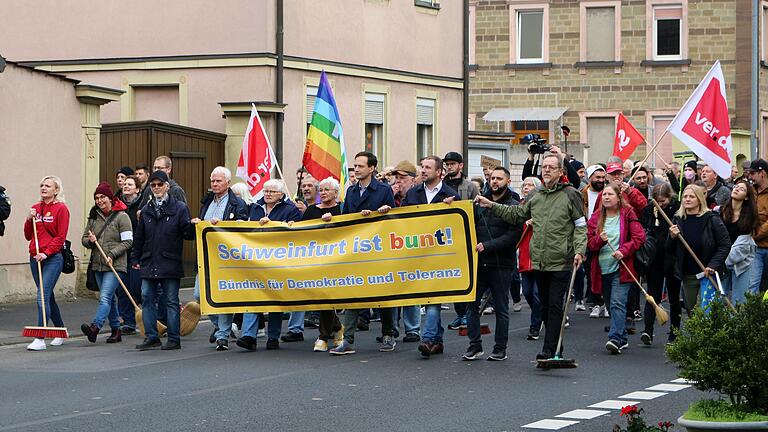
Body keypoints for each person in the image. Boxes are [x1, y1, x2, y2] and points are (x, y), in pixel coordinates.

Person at [475, 153, 586, 362]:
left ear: (561, 172)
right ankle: (555, 346)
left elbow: (581, 225)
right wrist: (492, 205)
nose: (546, 170)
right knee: (543, 305)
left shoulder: (571, 194)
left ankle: (550, 349)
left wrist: (580, 250)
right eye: (544, 167)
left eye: (551, 167)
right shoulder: (536, 194)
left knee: (554, 305)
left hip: (562, 258)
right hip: (540, 259)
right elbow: (517, 214)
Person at [329, 151, 396, 355]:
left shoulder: (384, 190)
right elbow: (346, 217)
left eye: (360, 166)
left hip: (377, 250)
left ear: (372, 168)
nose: (356, 169)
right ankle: (348, 340)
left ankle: (388, 334)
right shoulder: (350, 191)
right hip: (356, 250)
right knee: (353, 294)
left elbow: (393, 219)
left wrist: (382, 212)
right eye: (355, 166)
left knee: (383, 295)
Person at [401, 155, 458, 358]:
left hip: (439, 258)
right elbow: (402, 222)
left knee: (433, 299)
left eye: (427, 167)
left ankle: (427, 338)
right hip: (417, 256)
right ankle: (437, 340)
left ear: (439, 172)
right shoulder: (413, 194)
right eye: (421, 167)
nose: (423, 170)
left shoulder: (451, 195)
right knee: (422, 297)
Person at [236, 179, 302, 351]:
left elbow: (295, 234)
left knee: (274, 299)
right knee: (253, 296)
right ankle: (249, 336)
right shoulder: (255, 208)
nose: (268, 194)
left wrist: (273, 225)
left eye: (272, 192)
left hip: (278, 261)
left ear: (281, 194)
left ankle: (273, 336)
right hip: (256, 260)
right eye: (266, 191)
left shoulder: (291, 210)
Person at [463, 167, 521, 361]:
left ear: (508, 181)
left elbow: (513, 236)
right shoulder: (478, 203)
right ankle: (474, 346)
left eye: (499, 178)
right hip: (478, 264)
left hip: (501, 264)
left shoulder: (513, 206)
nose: (495, 181)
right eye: (492, 178)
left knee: (501, 309)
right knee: (471, 306)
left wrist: (487, 246)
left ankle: (499, 348)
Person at [132, 170, 194, 351]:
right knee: (146, 298)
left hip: (169, 261)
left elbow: (187, 233)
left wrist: (191, 226)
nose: (157, 188)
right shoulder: (146, 210)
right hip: (149, 261)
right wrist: (136, 257)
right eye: (154, 185)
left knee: (171, 300)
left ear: (167, 186)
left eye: (160, 185)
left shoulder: (179, 208)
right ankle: (152, 336)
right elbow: (139, 237)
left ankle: (174, 338)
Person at [191, 167, 248, 351]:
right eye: (213, 181)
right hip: (205, 257)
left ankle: (222, 335)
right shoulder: (206, 202)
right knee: (200, 295)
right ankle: (218, 326)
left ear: (228, 183)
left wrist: (224, 225)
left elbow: (242, 230)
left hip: (224, 259)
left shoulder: (237, 204)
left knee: (222, 297)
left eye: (218, 181)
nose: (214, 184)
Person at [587, 183, 645, 354]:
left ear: (618, 197)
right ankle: (623, 337)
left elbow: (639, 237)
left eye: (610, 194)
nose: (606, 197)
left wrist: (623, 251)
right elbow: (590, 244)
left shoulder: (627, 213)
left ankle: (615, 339)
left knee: (617, 303)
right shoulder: (596, 217)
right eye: (604, 194)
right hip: (602, 269)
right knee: (612, 305)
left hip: (623, 268)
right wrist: (599, 240)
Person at [80, 181, 133, 344]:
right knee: (109, 299)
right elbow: (83, 239)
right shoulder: (93, 217)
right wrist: (90, 241)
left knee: (104, 297)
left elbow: (128, 241)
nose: (99, 200)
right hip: (97, 265)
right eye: (96, 197)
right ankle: (116, 331)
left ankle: (95, 327)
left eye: (102, 197)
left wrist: (112, 254)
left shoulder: (122, 216)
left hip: (115, 265)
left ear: (110, 198)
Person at [24, 176, 70, 351]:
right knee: (48, 296)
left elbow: (60, 236)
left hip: (52, 258)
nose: (43, 188)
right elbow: (28, 235)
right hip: (35, 257)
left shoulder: (61, 209)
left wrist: (47, 253)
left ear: (56, 190)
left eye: (48, 186)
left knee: (42, 295)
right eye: (42, 185)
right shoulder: (35, 208)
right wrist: (29, 219)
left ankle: (40, 338)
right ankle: (59, 331)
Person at [299, 177, 345, 352]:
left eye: (327, 189)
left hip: (335, 260)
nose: (323, 192)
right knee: (318, 297)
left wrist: (333, 220)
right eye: (322, 190)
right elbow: (301, 232)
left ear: (336, 192)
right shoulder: (311, 210)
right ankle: (337, 327)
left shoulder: (341, 209)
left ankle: (323, 336)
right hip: (315, 259)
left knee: (327, 297)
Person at [668, 185, 731, 312]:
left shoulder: (712, 219)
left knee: (708, 311)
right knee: (692, 309)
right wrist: (672, 237)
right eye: (685, 197)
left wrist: (713, 265)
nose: (687, 199)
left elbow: (725, 244)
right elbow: (669, 248)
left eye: (692, 196)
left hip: (708, 273)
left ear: (700, 199)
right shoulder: (678, 219)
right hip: (688, 274)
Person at [639, 183, 682, 345]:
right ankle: (647, 331)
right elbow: (645, 228)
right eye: (657, 201)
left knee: (673, 297)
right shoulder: (649, 209)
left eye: (663, 201)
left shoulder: (677, 209)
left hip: (672, 257)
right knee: (652, 295)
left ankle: (674, 333)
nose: (660, 204)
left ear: (669, 197)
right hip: (655, 258)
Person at [390, 161, 422, 341]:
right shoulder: (390, 195)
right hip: (392, 249)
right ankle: (392, 327)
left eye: (402, 178)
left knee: (410, 288)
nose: (398, 181)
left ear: (413, 180)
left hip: (411, 247)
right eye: (396, 177)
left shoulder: (417, 195)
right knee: (392, 288)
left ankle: (412, 329)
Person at [719, 179, 758, 305]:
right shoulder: (722, 211)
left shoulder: (749, 215)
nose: (736, 189)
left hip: (741, 261)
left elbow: (746, 240)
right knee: (719, 298)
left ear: (746, 197)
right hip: (723, 259)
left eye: (742, 189)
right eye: (736, 186)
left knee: (739, 299)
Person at [517, 177, 544, 341]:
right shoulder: (519, 207)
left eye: (530, 185)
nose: (526, 188)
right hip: (525, 255)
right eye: (524, 185)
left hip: (540, 255)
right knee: (527, 292)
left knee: (536, 293)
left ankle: (535, 324)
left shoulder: (543, 206)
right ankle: (541, 314)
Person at [117, 175, 142, 335]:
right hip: (121, 253)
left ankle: (146, 318)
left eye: (130, 184)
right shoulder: (118, 207)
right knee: (122, 288)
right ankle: (128, 321)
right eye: (124, 184)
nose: (126, 186)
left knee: (137, 287)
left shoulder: (142, 206)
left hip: (136, 252)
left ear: (137, 189)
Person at [746, 159, 768, 294]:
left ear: (762, 173)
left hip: (757, 241)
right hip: (755, 248)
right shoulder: (750, 191)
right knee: (752, 285)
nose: (750, 176)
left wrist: (755, 236)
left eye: (753, 173)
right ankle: (752, 315)